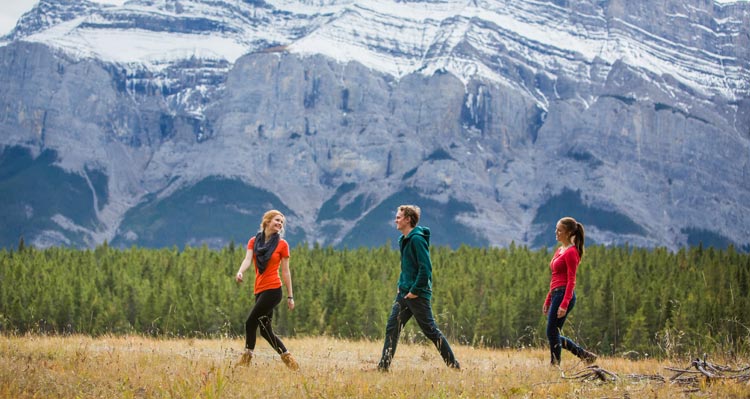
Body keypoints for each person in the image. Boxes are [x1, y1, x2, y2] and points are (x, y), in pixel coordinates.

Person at [376, 205, 461, 371]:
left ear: (408, 219)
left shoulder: (417, 239)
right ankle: (383, 367)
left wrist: (415, 290)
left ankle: (454, 366)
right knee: (392, 328)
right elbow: (407, 268)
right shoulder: (404, 239)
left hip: (417, 295)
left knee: (431, 331)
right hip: (405, 294)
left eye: (399, 217)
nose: (396, 220)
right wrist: (401, 286)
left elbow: (426, 268)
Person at [235, 210, 299, 370]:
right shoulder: (254, 241)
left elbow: (286, 271)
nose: (279, 224)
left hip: (273, 290)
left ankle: (246, 358)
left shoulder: (282, 245)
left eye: (281, 222)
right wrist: (241, 271)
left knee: (250, 322)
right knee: (265, 330)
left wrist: (290, 296)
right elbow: (248, 259)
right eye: (277, 220)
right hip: (259, 289)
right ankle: (290, 361)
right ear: (267, 221)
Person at [542, 216, 597, 366]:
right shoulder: (560, 250)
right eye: (556, 229)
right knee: (553, 333)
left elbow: (571, 280)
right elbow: (555, 277)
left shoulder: (572, 252)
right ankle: (584, 355)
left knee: (551, 332)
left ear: (568, 233)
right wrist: (548, 300)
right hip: (556, 294)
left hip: (564, 295)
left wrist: (564, 303)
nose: (556, 232)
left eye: (559, 230)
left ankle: (555, 365)